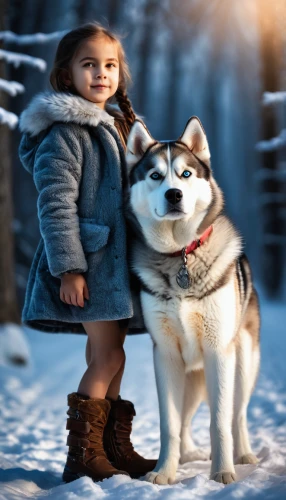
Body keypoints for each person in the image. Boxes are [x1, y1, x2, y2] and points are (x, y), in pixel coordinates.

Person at [18, 23, 156, 483]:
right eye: (89, 64)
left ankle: (112, 449)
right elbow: (55, 205)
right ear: (66, 75)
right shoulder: (66, 133)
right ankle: (81, 455)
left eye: (110, 65)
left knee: (112, 352)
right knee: (107, 357)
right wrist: (70, 268)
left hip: (120, 268)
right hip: (92, 266)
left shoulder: (120, 125)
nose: (101, 73)